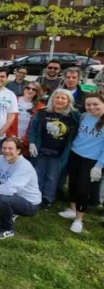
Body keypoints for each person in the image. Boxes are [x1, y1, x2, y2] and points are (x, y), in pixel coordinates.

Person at [0, 137, 41, 239]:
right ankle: (10, 212)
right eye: (4, 148)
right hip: (12, 195)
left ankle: (7, 229)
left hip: (30, 203)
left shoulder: (24, 166)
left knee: (3, 199)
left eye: (10, 148)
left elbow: (9, 189)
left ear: (18, 151)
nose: (6, 151)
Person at [59, 93, 104, 233]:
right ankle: (72, 209)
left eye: (95, 104)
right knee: (72, 183)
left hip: (91, 160)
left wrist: (99, 166)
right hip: (75, 154)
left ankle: (78, 219)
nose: (91, 107)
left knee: (83, 190)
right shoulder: (84, 116)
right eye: (88, 104)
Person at [28, 89, 79, 208]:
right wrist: (32, 143)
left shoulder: (74, 116)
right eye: (57, 97)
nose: (59, 100)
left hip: (59, 153)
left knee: (52, 176)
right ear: (52, 99)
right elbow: (33, 129)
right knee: (38, 173)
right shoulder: (43, 113)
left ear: (68, 101)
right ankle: (35, 195)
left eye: (63, 98)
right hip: (40, 150)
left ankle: (48, 198)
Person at [7, 82, 44, 157]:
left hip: (26, 143)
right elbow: (5, 119)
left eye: (34, 89)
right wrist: (11, 136)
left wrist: (24, 140)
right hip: (10, 139)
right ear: (24, 89)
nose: (30, 90)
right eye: (28, 88)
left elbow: (37, 128)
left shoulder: (40, 107)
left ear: (37, 93)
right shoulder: (13, 100)